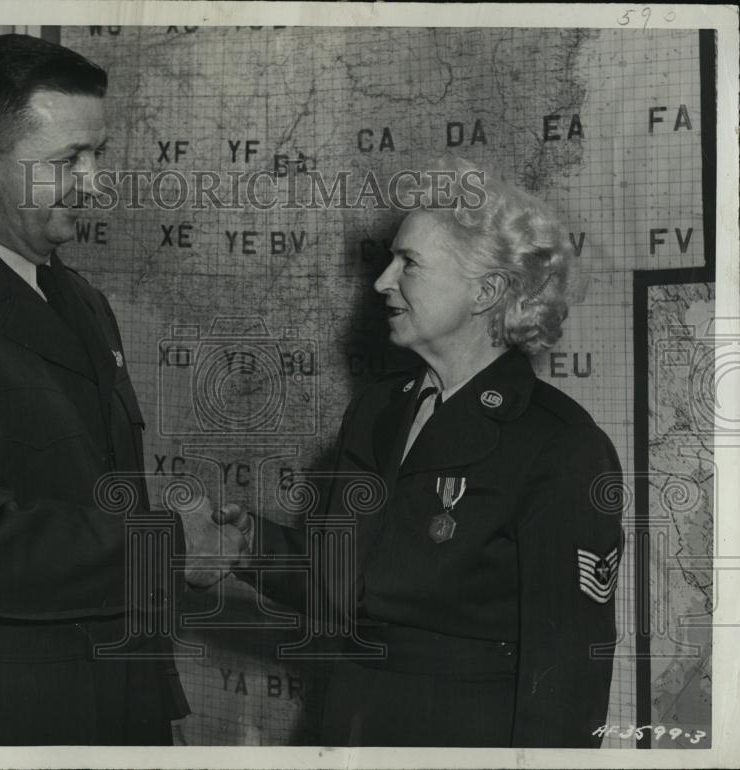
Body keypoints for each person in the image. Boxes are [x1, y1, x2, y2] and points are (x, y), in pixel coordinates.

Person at [0, 33, 245, 745]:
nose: (94, 183)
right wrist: (176, 545)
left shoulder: (79, 298)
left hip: (124, 691)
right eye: (67, 161)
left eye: (97, 154)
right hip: (10, 710)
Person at [222, 155, 624, 747]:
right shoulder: (379, 410)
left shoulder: (560, 446)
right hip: (348, 731)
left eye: (408, 263)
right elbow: (348, 587)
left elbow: (566, 683)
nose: (383, 281)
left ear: (486, 291)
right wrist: (247, 545)